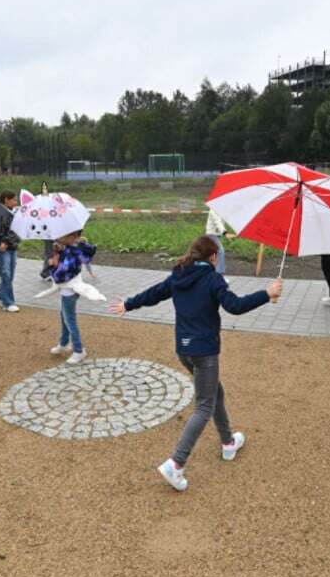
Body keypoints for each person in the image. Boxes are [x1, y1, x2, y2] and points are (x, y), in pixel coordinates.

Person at [110, 235, 282, 492]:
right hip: (204, 352)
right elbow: (234, 306)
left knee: (215, 392)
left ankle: (227, 442)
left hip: (184, 350)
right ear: (213, 257)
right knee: (204, 406)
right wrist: (266, 294)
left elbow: (154, 293)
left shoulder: (179, 274)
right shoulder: (212, 278)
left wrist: (129, 304)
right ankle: (176, 463)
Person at [46, 230, 97, 365]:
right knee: (64, 316)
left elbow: (64, 271)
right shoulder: (70, 248)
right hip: (67, 288)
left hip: (70, 289)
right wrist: (58, 253)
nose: (58, 238)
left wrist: (54, 264)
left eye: (61, 236)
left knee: (70, 320)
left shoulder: (75, 251)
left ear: (72, 236)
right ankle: (63, 343)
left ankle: (79, 350)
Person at [205, 208, 234, 275]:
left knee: (212, 255)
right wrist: (225, 233)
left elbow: (222, 222)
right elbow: (217, 222)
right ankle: (219, 275)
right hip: (211, 235)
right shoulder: (213, 210)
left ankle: (210, 275)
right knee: (220, 251)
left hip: (217, 235)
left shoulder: (222, 210)